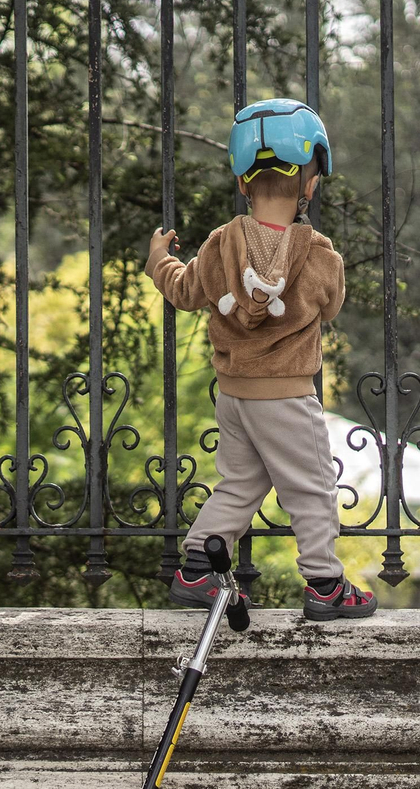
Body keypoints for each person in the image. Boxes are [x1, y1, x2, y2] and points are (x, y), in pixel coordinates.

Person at [146, 98, 377, 621]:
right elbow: (332, 305)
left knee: (241, 483)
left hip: (235, 394)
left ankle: (196, 572)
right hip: (286, 396)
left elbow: (184, 291)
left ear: (243, 182)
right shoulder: (320, 256)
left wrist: (159, 259)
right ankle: (324, 583)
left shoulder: (218, 245)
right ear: (310, 184)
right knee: (312, 486)